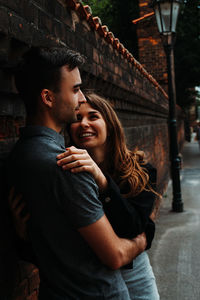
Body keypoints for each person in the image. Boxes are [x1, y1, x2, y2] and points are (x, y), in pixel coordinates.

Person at [6, 46, 147, 300]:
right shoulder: (67, 164)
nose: (82, 98)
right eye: (75, 89)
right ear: (48, 98)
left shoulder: (17, 157)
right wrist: (142, 241)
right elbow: (114, 255)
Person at [56, 92, 160, 300]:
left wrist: (102, 181)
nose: (84, 123)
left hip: (134, 272)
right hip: (91, 276)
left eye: (93, 116)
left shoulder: (140, 171)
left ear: (110, 124)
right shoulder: (65, 171)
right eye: (77, 119)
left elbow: (135, 226)